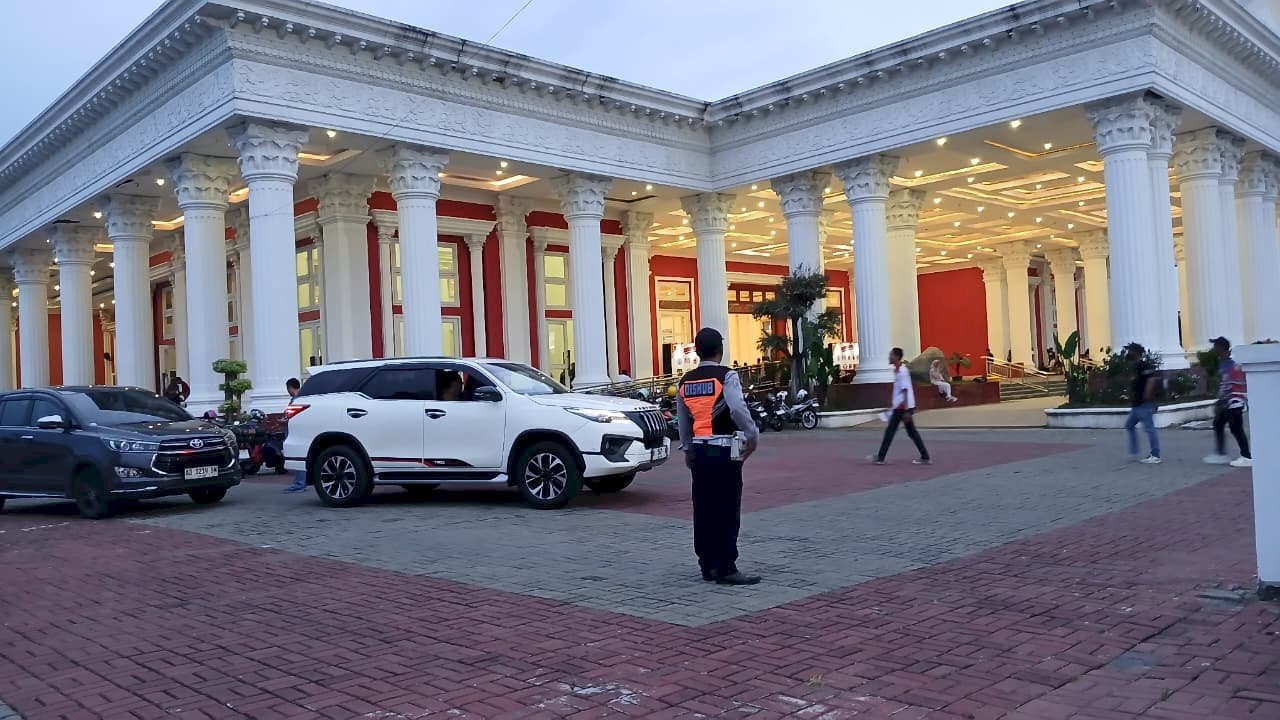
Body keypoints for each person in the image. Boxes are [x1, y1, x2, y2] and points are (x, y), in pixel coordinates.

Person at [677, 327, 761, 586]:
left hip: (700, 452)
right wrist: (752, 434)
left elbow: (682, 420)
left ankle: (707, 564)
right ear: (720, 350)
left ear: (697, 350)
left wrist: (688, 448)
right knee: (726, 509)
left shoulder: (685, 381)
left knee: (703, 509)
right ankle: (727, 566)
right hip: (724, 451)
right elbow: (737, 408)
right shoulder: (727, 376)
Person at [872, 348, 931, 465]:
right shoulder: (898, 370)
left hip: (902, 407)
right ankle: (925, 456)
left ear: (896, 357)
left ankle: (881, 457)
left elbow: (905, 390)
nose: (889, 357)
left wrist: (907, 411)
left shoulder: (902, 371)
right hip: (901, 406)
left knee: (891, 431)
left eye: (891, 355)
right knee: (911, 432)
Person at [1203, 337, 1251, 468]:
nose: (1213, 349)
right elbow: (1223, 384)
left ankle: (1247, 456)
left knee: (1236, 429)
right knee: (1218, 424)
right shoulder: (1222, 363)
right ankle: (1221, 453)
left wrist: (1225, 400)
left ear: (1221, 348)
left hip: (1234, 401)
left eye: (1215, 346)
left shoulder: (1232, 365)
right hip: (1226, 402)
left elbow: (1233, 385)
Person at [1123, 342, 1162, 464]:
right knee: (1129, 425)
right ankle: (1134, 451)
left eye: (1130, 351)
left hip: (1144, 404)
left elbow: (1151, 380)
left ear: (1136, 353)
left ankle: (1155, 455)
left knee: (1150, 429)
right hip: (1136, 405)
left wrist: (1147, 396)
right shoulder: (1134, 367)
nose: (1128, 353)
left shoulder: (1144, 365)